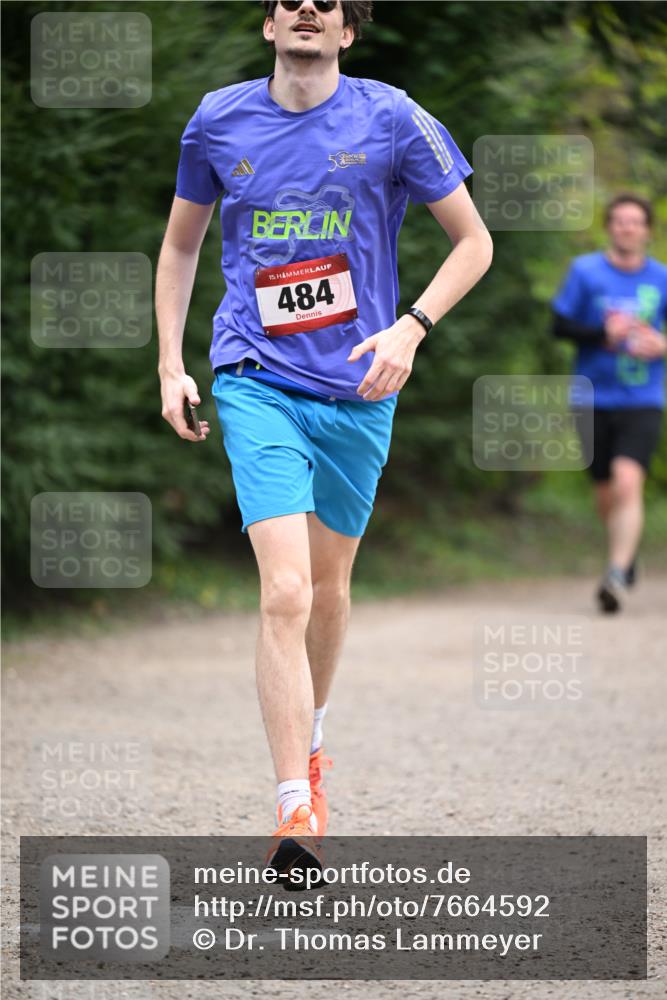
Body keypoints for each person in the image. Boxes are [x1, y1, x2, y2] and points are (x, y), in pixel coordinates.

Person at [156, 0, 492, 874]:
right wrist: (170, 363)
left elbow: (473, 242)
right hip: (253, 375)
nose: (307, 6)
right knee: (285, 589)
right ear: (269, 26)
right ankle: (291, 807)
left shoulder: (393, 118)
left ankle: (312, 744)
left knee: (330, 586)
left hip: (359, 385)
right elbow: (181, 247)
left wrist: (411, 327)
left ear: (347, 30)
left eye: (328, 1)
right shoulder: (217, 119)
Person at [552, 193, 667, 613]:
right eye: (619, 221)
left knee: (627, 480)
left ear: (647, 230)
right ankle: (626, 551)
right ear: (609, 227)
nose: (627, 228)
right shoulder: (585, 272)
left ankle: (615, 574)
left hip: (643, 397)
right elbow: (559, 326)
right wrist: (603, 335)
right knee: (604, 490)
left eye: (635, 222)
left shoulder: (662, 278)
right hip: (591, 396)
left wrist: (662, 345)